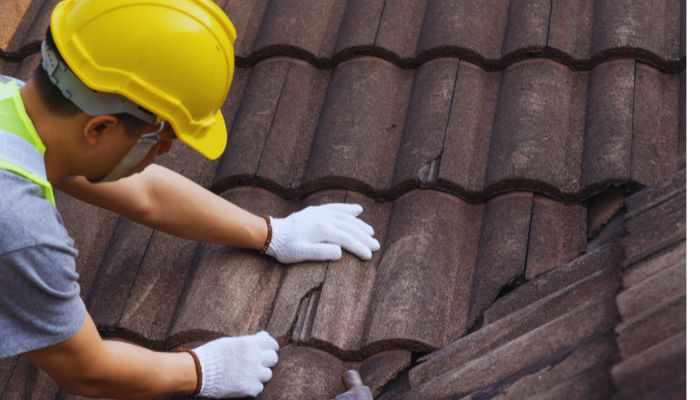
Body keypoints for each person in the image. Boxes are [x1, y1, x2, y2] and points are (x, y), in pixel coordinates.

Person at [0, 1, 380, 398]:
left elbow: (147, 194)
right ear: (99, 127)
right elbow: (87, 369)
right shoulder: (21, 226)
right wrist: (201, 369)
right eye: (158, 141)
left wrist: (271, 233)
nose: (159, 156)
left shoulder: (14, 106)